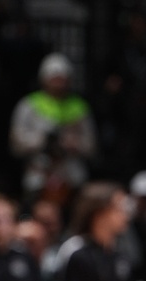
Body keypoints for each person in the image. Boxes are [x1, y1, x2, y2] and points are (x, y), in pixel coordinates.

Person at [9, 53, 96, 196]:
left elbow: (91, 146)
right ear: (43, 79)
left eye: (63, 78)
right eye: (54, 78)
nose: (59, 83)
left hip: (71, 172)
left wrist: (73, 143)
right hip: (39, 170)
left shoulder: (79, 107)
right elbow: (16, 143)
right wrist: (43, 140)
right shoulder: (28, 105)